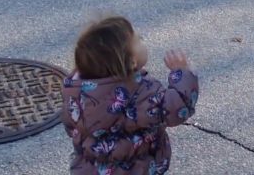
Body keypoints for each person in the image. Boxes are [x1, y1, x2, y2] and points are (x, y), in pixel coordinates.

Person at [61, 14, 199, 175]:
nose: (142, 40)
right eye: (138, 39)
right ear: (132, 61)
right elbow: (179, 107)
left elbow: (71, 128)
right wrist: (181, 73)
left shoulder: (75, 92)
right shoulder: (143, 91)